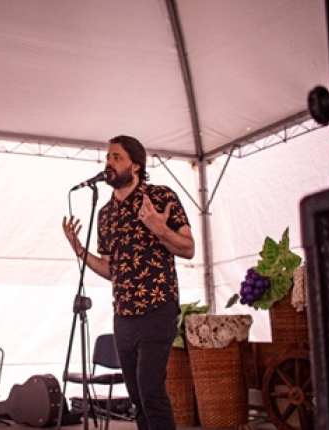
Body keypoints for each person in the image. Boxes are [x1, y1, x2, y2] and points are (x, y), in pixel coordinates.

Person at [62, 135, 195, 430]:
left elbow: (188, 248)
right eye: (107, 157)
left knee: (151, 392)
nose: (109, 163)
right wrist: (80, 252)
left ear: (135, 164)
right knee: (137, 397)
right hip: (123, 315)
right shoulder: (105, 214)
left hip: (157, 308)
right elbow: (110, 269)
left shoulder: (161, 198)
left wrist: (160, 229)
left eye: (116, 157)